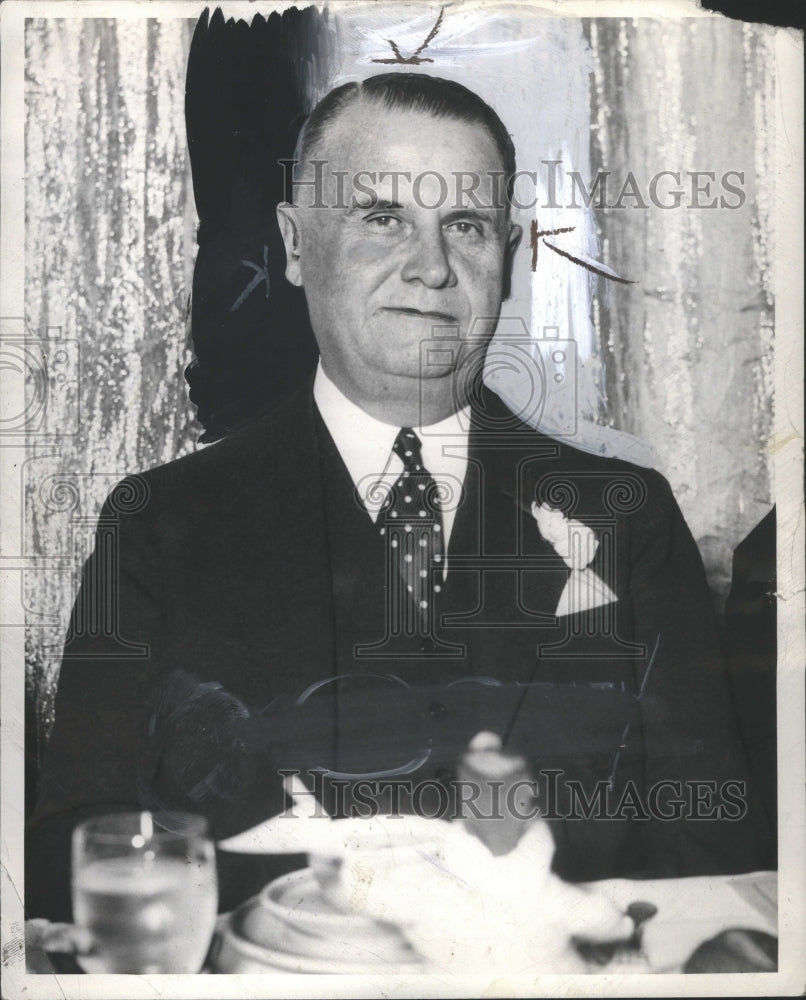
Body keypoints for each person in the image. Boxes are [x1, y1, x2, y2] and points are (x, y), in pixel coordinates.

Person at [26, 73, 770, 923]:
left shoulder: (624, 518)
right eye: (383, 219)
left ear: (513, 256)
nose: (431, 267)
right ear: (297, 244)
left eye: (465, 224)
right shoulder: (157, 527)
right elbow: (78, 857)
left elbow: (712, 866)